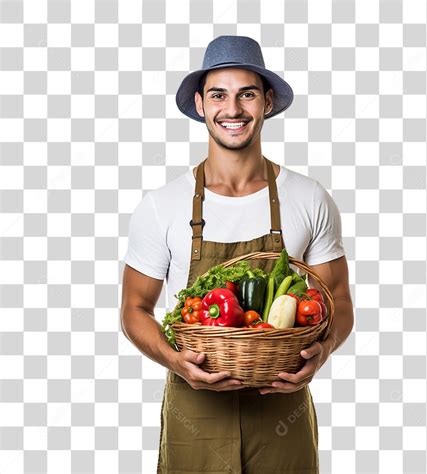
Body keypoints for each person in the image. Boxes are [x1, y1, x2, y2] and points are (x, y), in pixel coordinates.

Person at [120, 35, 354, 474]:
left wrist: (322, 353)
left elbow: (339, 299)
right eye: (218, 95)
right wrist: (175, 361)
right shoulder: (162, 204)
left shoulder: (308, 198)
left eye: (246, 93)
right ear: (200, 104)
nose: (232, 109)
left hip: (282, 412)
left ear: (266, 102)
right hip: (195, 413)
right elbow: (134, 308)